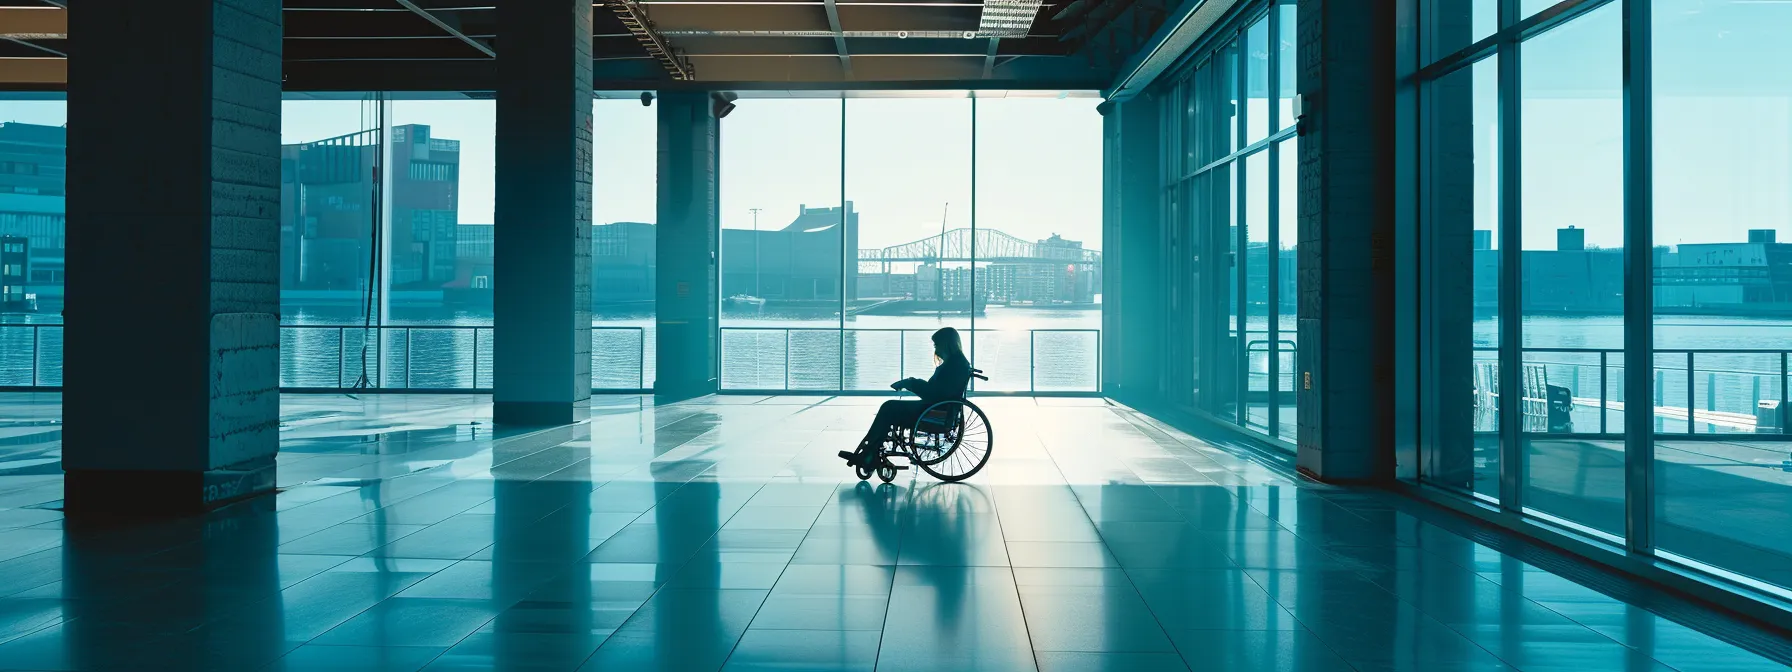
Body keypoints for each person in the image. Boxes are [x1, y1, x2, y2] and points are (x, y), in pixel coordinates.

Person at [839, 327, 973, 468]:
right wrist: (912, 383)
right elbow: (937, 391)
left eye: (936, 344)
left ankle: (869, 452)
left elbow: (934, 393)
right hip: (937, 408)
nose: (935, 349)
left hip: (933, 411)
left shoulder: (953, 366)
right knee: (889, 407)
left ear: (946, 344)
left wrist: (910, 383)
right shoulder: (957, 363)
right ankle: (870, 451)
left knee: (889, 407)